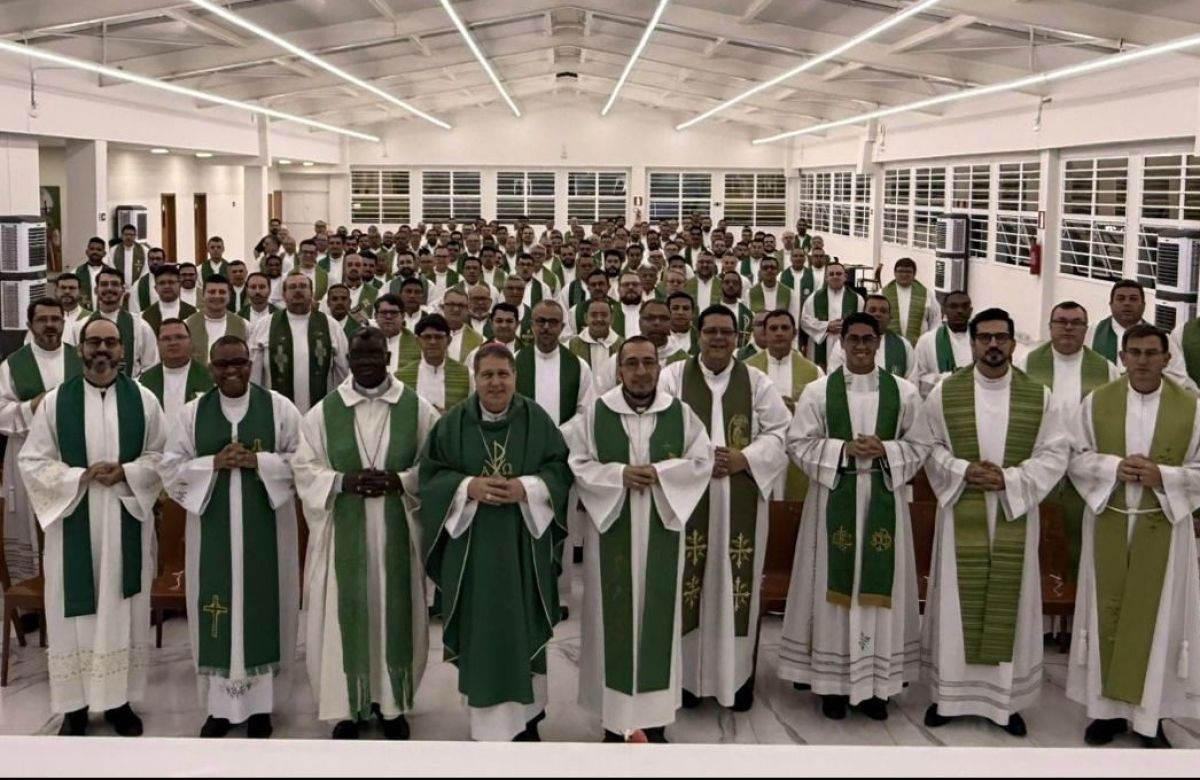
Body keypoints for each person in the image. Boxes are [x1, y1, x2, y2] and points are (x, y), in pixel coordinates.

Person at [919, 308, 1069, 737]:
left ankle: (1006, 702)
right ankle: (949, 697)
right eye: (984, 338)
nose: (992, 345)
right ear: (972, 343)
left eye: (1000, 338)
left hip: (1012, 511)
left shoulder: (1039, 397)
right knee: (954, 602)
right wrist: (962, 470)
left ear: (1013, 343)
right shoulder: (945, 394)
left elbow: (1055, 453)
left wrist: (1010, 478)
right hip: (960, 511)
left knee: (1012, 602)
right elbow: (927, 447)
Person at [18, 317, 166, 736]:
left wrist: (128, 472)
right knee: (73, 615)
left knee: (123, 609)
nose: (102, 349)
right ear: (80, 348)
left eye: (111, 343)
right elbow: (32, 461)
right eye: (94, 342)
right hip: (73, 523)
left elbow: (161, 456)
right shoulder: (54, 402)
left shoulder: (143, 398)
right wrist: (77, 477)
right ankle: (74, 706)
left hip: (124, 520)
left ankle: (118, 702)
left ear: (123, 350)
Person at [419, 344, 573, 741]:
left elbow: (558, 468)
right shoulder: (452, 424)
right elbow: (431, 477)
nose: (495, 382)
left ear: (515, 377)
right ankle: (487, 722)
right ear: (475, 378)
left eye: (503, 374)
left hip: (524, 545)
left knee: (525, 622)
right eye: (487, 375)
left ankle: (529, 716)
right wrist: (467, 486)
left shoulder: (536, 420)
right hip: (473, 552)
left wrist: (529, 488)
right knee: (481, 629)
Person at [780, 312, 929, 721]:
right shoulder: (816, 391)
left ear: (879, 342)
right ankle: (831, 684)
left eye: (868, 339)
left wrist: (887, 451)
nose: (861, 346)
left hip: (885, 497)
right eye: (853, 339)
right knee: (831, 588)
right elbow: (798, 442)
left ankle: (878, 685)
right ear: (841, 342)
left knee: (880, 593)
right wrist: (844, 450)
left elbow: (921, 444)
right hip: (832, 498)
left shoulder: (904, 392)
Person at [565, 336, 713, 743]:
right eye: (632, 363)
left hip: (662, 525)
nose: (642, 371)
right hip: (612, 527)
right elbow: (577, 463)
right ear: (619, 370)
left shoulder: (680, 413)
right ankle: (615, 723)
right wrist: (618, 476)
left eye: (649, 363)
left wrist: (663, 474)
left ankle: (655, 720)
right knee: (609, 620)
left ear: (658, 366)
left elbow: (703, 461)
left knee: (659, 622)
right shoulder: (596, 413)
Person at [294, 328, 440, 740]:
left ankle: (392, 705)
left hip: (397, 530)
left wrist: (401, 482)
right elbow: (305, 468)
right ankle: (346, 706)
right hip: (344, 531)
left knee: (394, 611)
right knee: (344, 615)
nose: (367, 362)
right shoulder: (324, 413)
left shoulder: (419, 409)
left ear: (388, 356)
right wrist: (342, 482)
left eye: (374, 354)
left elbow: (434, 467)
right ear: (348, 360)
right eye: (359, 356)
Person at [159, 336, 302, 740]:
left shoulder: (278, 408)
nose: (232, 370)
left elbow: (304, 460)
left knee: (264, 606)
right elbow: (170, 469)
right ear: (211, 368)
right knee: (216, 611)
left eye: (239, 361)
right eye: (222, 364)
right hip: (211, 535)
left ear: (251, 364)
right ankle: (218, 709)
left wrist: (260, 461)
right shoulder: (192, 414)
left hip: (269, 535)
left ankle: (261, 708)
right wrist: (213, 463)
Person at [1066, 324, 1200, 749]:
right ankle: (1104, 713)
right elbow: (1073, 456)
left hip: (1163, 525)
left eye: (1151, 353)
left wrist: (1165, 475)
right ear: (1121, 357)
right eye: (1134, 352)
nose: (1142, 361)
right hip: (1110, 519)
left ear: (1167, 358)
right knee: (1105, 613)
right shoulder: (1097, 402)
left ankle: (1149, 718)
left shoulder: (1192, 408)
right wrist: (1111, 468)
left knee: (1157, 617)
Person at [657, 305, 790, 712]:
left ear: (739, 337)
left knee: (737, 587)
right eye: (711, 331)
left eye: (726, 332)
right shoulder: (674, 376)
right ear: (698, 334)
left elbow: (781, 432)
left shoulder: (756, 381)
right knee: (687, 585)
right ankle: (687, 681)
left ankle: (738, 680)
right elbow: (659, 425)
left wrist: (744, 458)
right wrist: (697, 464)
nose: (719, 339)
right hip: (687, 500)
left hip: (740, 498)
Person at [0, 298, 81, 583]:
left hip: (72, 455)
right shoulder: (13, 365)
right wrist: (32, 405)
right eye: (42, 319)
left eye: (55, 319)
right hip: (27, 452)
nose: (50, 325)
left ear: (63, 322)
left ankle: (71, 582)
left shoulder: (79, 357)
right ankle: (32, 592)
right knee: (31, 521)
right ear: (30, 325)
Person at [745, 310, 822, 502]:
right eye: (773, 328)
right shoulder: (746, 369)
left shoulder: (814, 372)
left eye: (785, 328)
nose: (779, 333)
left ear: (794, 333)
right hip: (759, 451)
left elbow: (822, 413)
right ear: (764, 333)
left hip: (796, 453)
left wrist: (795, 408)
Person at [248, 273, 349, 414]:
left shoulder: (330, 325)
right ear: (284, 294)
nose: (298, 290)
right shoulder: (265, 325)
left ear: (311, 293)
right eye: (292, 287)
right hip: (275, 413)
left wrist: (339, 408)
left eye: (303, 286)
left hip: (321, 413)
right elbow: (254, 375)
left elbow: (343, 371)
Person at [71, 268, 159, 377]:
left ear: (123, 290)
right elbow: (74, 365)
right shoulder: (79, 327)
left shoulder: (141, 326)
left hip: (129, 389)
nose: (109, 288)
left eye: (115, 284)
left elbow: (150, 367)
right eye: (104, 284)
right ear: (96, 290)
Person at [137, 319, 214, 420]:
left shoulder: (210, 377)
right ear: (158, 344)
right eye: (166, 338)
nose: (173, 343)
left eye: (180, 337)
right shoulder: (143, 382)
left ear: (190, 341)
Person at [395, 314, 473, 413]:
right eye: (427, 337)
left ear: (448, 341)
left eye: (438, 337)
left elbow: (473, 411)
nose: (432, 342)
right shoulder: (401, 377)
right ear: (418, 341)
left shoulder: (467, 375)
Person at [828, 295, 916, 380]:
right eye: (872, 310)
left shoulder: (903, 345)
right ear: (863, 313)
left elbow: (911, 380)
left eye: (883, 311)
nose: (877, 314)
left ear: (890, 318)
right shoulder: (847, 342)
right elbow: (834, 376)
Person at [800, 262, 863, 370]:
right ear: (826, 278)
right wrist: (827, 326)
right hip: (820, 345)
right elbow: (805, 321)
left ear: (845, 277)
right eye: (831, 274)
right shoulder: (814, 298)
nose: (835, 277)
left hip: (846, 344)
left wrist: (847, 326)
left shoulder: (857, 299)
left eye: (838, 274)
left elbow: (863, 323)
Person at [914, 290, 973, 398]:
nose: (960, 311)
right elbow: (918, 380)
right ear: (944, 310)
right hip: (939, 404)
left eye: (964, 306)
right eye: (953, 306)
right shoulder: (927, 341)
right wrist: (951, 377)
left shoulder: (981, 339)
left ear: (970, 310)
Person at [184, 275, 249, 367]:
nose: (217, 296)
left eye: (222, 292)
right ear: (203, 295)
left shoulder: (244, 325)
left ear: (229, 295)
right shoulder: (187, 324)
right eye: (212, 292)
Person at [881, 258, 940, 346]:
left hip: (919, 347)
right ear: (894, 273)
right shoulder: (882, 294)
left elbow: (936, 320)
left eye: (908, 272)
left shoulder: (926, 294)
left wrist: (931, 342)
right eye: (900, 271)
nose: (904, 274)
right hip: (888, 346)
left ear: (914, 273)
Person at [1090, 280, 1147, 364]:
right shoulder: (1092, 331)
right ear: (1111, 304)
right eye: (1120, 298)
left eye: (1133, 299)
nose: (1127, 303)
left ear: (1143, 305)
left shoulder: (1159, 337)